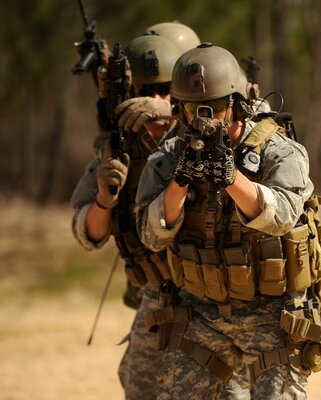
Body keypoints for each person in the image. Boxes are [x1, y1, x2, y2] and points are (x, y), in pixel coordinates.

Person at [135, 43, 321, 400]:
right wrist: (179, 185)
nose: (203, 118)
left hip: (272, 317)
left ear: (236, 103)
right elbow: (150, 237)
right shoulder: (168, 158)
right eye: (190, 108)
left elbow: (284, 217)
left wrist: (233, 179)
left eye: (213, 108)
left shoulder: (278, 151)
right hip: (202, 317)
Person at [70, 32, 185, 399]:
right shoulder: (118, 147)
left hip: (214, 292)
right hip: (158, 291)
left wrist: (177, 114)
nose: (157, 100)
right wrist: (105, 199)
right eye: (148, 90)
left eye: (168, 90)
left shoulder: (198, 132)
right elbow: (89, 233)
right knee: (141, 384)